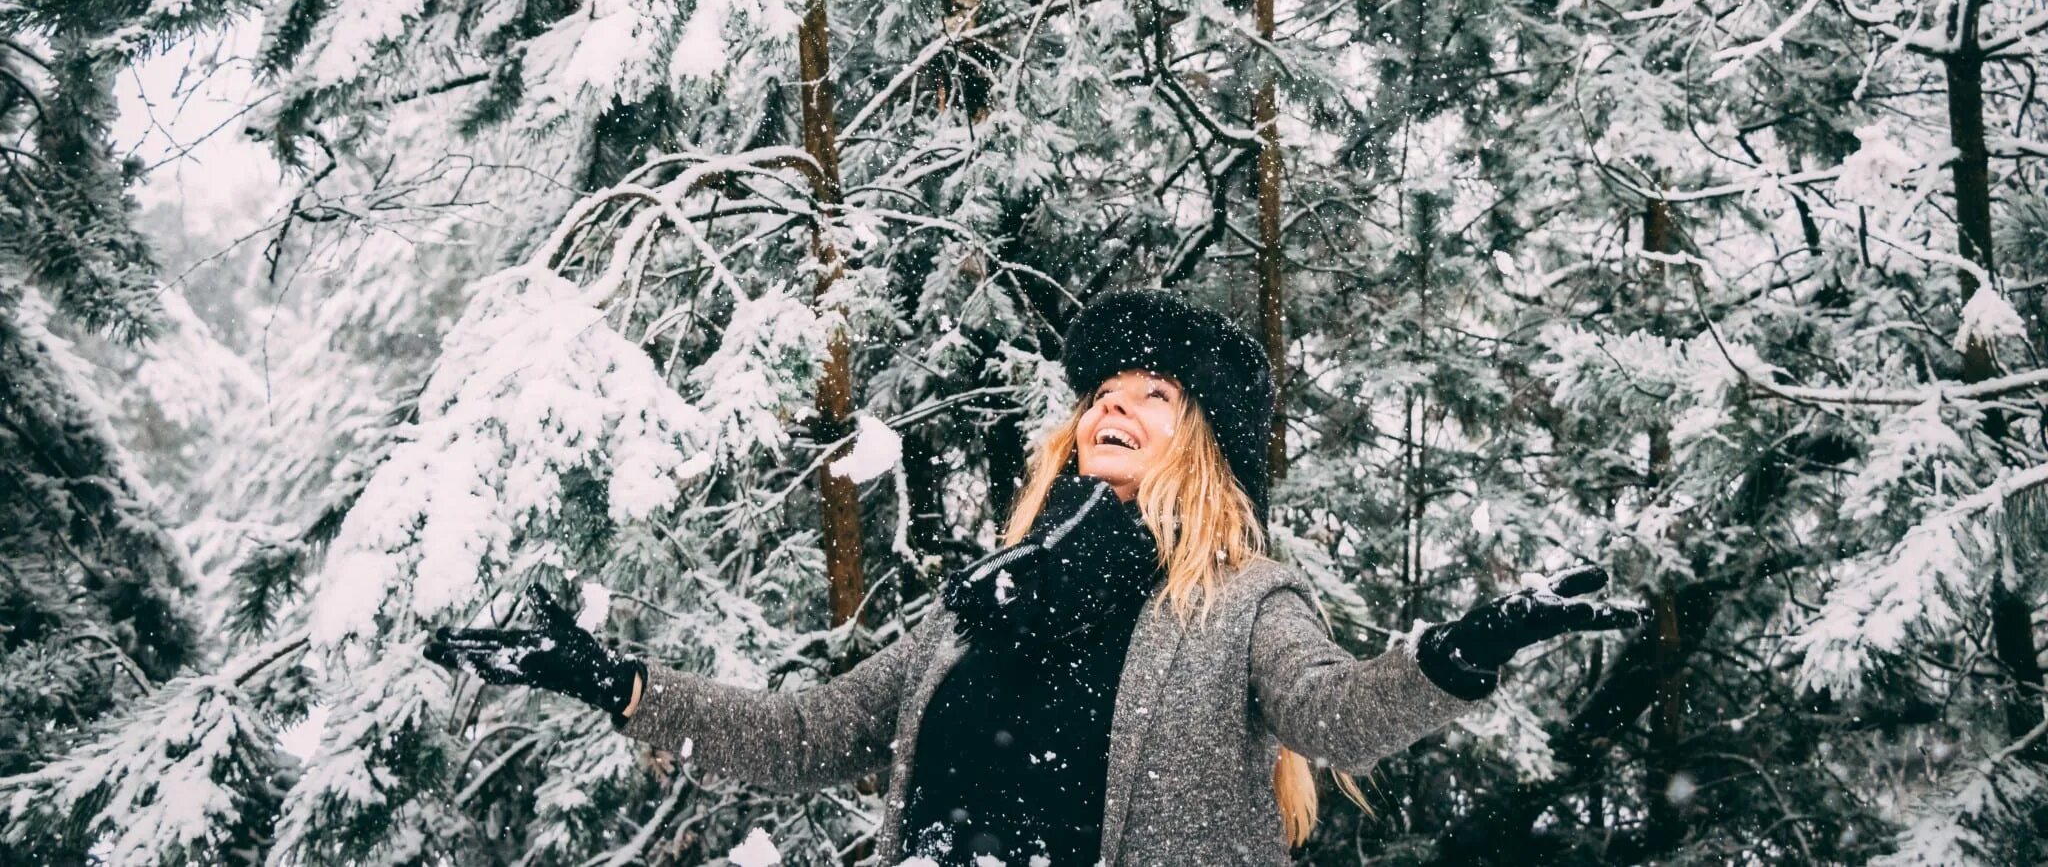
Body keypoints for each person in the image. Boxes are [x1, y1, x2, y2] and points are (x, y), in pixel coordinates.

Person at [428, 288, 1641, 866]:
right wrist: (617, 684)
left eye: (1150, 396)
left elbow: (1334, 716)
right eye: (1101, 394)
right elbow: (804, 735)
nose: (1111, 402)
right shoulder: (981, 607)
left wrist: (1467, 647)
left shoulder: (1234, 599)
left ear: (1200, 442)